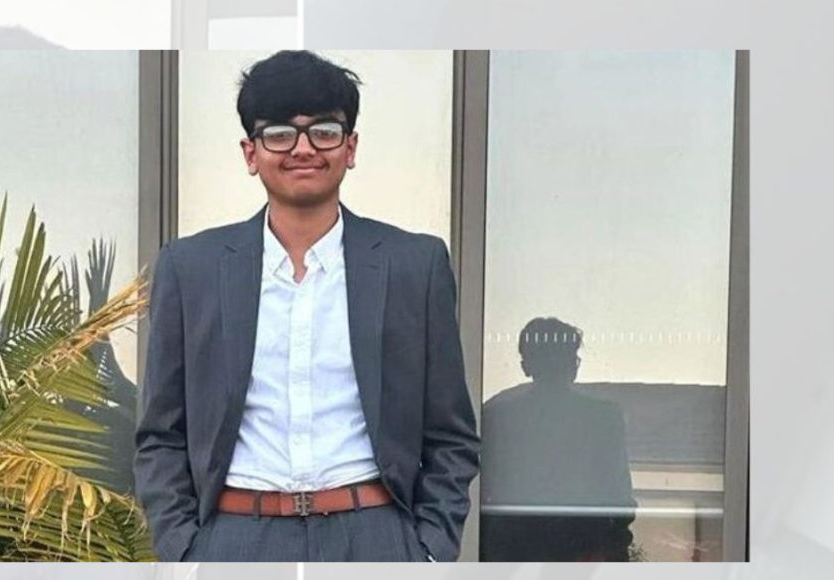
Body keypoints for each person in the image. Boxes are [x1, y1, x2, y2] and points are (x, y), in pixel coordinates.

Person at [134, 50, 480, 562]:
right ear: (251, 153)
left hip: (375, 536)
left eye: (323, 131)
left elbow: (450, 434)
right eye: (279, 133)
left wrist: (428, 552)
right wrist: (184, 552)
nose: (303, 148)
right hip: (234, 539)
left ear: (350, 147)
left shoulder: (414, 265)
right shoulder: (191, 269)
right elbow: (160, 434)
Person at [480, 317, 637, 561]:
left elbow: (484, 491)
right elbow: (619, 494)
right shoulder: (602, 418)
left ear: (526, 366)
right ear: (572, 365)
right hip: (583, 552)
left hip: (515, 552)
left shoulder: (497, 417)